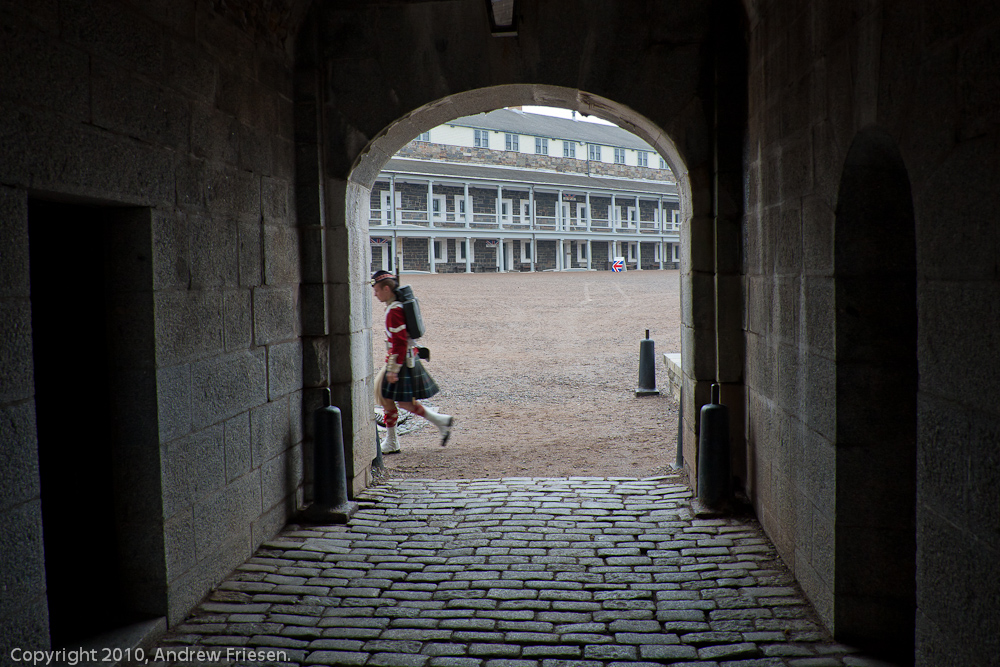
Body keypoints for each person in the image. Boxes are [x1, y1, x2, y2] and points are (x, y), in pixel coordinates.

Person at [371, 270, 453, 453]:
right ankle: (441, 421)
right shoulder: (396, 307)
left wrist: (393, 369)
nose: (375, 294)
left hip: (400, 361)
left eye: (377, 290)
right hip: (404, 358)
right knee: (398, 401)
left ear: (386, 289)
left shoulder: (394, 311)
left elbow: (399, 343)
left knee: (391, 399)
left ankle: (392, 441)